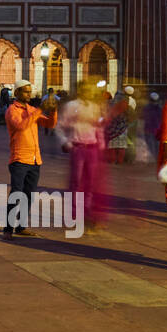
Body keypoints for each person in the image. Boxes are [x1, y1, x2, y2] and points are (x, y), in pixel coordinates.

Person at [3, 79, 57, 238]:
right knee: (16, 195)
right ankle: (8, 229)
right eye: (26, 92)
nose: (29, 94)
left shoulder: (32, 110)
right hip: (19, 159)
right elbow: (21, 126)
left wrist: (53, 110)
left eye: (30, 91)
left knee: (28, 195)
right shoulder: (12, 110)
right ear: (17, 92)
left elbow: (50, 124)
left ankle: (21, 226)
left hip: (34, 159)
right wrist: (40, 110)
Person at [57, 79, 107, 229]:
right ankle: (74, 213)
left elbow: (99, 128)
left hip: (92, 148)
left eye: (90, 90)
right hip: (78, 147)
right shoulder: (71, 106)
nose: (89, 92)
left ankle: (87, 212)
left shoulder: (95, 107)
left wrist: (102, 143)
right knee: (76, 182)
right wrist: (66, 142)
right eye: (86, 89)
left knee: (90, 182)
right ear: (80, 91)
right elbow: (59, 127)